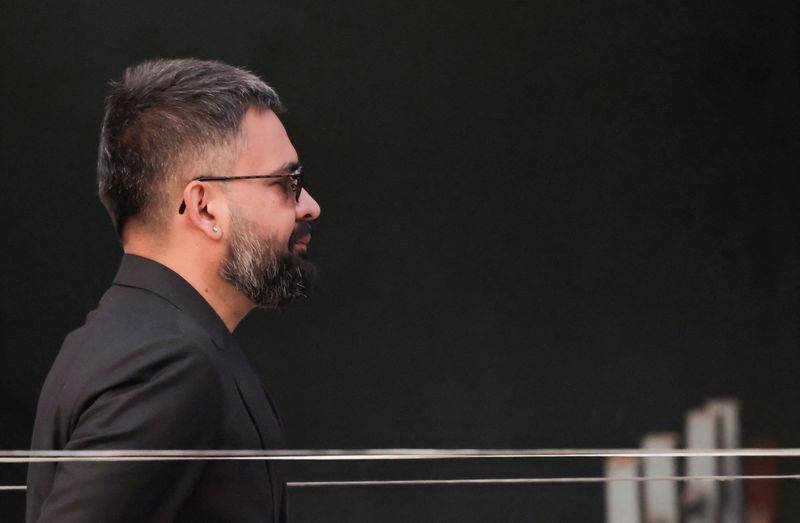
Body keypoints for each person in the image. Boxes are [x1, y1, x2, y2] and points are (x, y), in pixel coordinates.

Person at [26, 58, 321, 523]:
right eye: (287, 183)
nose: (310, 206)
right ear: (204, 208)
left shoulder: (132, 341)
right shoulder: (170, 364)